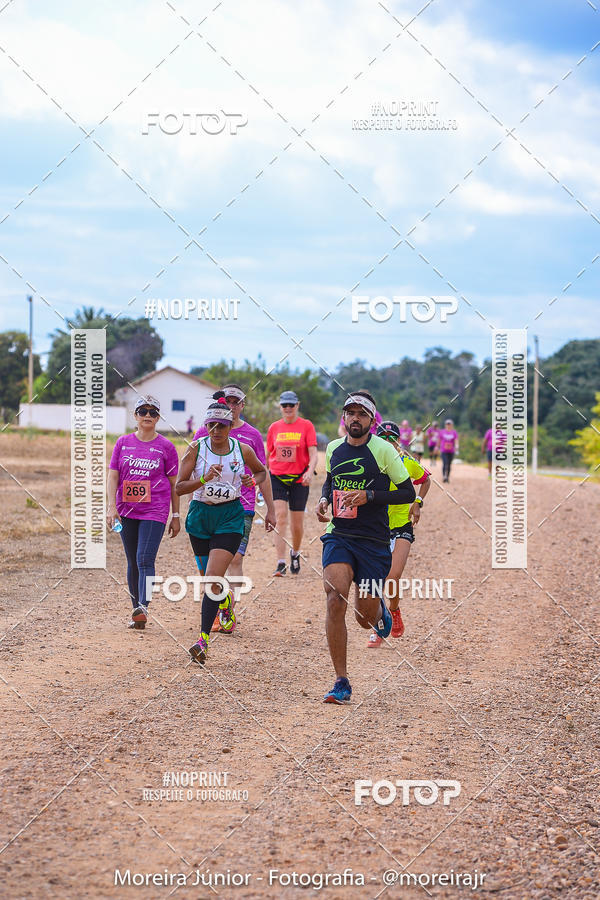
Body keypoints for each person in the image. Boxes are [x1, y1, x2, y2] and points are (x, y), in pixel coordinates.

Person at [316, 391, 415, 704]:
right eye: (350, 413)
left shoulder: (384, 451)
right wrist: (322, 499)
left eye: (361, 413)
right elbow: (331, 481)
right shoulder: (333, 448)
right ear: (344, 418)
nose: (355, 418)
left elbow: (407, 493)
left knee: (363, 617)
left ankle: (380, 611)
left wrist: (369, 497)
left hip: (373, 541)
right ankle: (341, 681)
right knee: (335, 596)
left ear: (372, 420)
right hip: (340, 534)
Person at [177, 399, 268, 665]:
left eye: (222, 425)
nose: (216, 430)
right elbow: (180, 487)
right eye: (212, 425)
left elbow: (263, 473)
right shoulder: (196, 448)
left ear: (230, 427)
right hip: (200, 517)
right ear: (206, 426)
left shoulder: (243, 450)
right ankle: (225, 600)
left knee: (211, 579)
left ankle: (202, 640)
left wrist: (253, 480)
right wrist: (204, 479)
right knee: (210, 579)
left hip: (230, 517)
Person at [193, 385, 276, 630]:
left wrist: (270, 509)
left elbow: (263, 472)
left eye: (235, 401)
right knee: (207, 568)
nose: (230, 405)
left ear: (242, 405)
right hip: (206, 508)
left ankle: (227, 615)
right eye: (226, 400)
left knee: (236, 559)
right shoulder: (203, 431)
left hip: (243, 505)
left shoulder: (251, 435)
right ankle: (222, 601)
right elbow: (191, 465)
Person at [107, 395, 180, 630]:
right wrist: (112, 507)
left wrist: (176, 515)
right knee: (132, 561)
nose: (148, 416)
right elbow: (113, 476)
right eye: (143, 411)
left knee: (144, 558)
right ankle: (136, 611)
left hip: (155, 510)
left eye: (153, 412)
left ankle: (144, 606)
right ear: (135, 415)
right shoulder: (123, 442)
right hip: (126, 510)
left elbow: (174, 484)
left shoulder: (166, 447)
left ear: (158, 417)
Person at [367, 422, 430, 648]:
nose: (387, 442)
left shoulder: (407, 462)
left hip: (402, 526)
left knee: (392, 578)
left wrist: (418, 503)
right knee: (374, 581)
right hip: (376, 528)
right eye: (382, 437)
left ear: (398, 441)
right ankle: (378, 627)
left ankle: (394, 610)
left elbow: (425, 479)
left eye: (391, 438)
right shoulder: (370, 465)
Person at [267, 391, 318, 576]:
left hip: (299, 479)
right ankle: (280, 563)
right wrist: (263, 477)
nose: (288, 408)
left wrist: (309, 472)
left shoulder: (306, 426)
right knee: (280, 517)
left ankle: (294, 553)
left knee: (297, 524)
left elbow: (313, 454)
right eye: (284, 405)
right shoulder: (274, 427)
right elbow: (268, 455)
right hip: (277, 477)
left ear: (297, 405)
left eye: (291, 405)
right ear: (280, 407)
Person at [439, 418, 459, 482]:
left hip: (451, 451)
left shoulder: (454, 432)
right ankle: (444, 476)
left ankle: (447, 476)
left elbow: (456, 440)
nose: (448, 425)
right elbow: (439, 440)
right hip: (443, 450)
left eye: (449, 424)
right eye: (447, 424)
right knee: (445, 463)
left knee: (449, 464)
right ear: (445, 425)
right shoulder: (442, 432)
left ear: (452, 425)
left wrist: (457, 447)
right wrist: (437, 447)